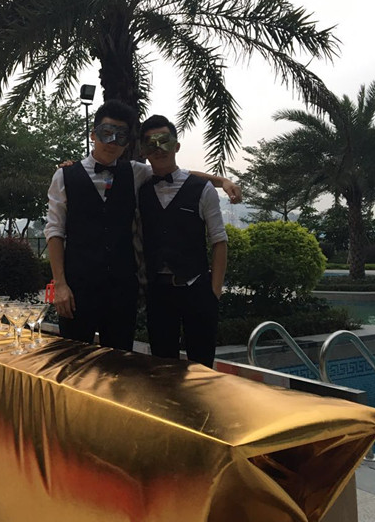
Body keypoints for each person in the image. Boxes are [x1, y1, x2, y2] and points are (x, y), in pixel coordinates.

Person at [45, 99, 237, 351]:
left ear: (128, 142)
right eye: (106, 133)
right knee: (74, 361)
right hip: (76, 290)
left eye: (121, 136)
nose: (113, 141)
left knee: (121, 365)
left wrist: (221, 181)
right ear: (93, 135)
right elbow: (55, 231)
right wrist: (60, 284)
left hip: (122, 294)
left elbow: (177, 173)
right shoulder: (64, 176)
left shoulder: (135, 172)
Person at [138, 115, 228, 367]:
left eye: (164, 141)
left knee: (202, 366)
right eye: (151, 143)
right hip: (158, 291)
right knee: (162, 366)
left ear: (176, 146)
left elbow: (219, 240)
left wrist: (214, 292)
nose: (159, 149)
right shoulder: (139, 188)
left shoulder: (202, 189)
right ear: (144, 151)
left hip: (197, 288)